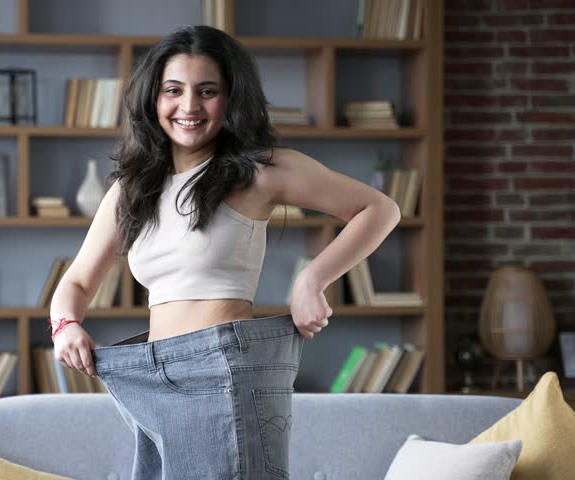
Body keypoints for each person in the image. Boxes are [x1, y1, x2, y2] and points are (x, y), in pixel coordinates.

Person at [47, 25, 400, 480]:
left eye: (207, 91)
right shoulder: (130, 190)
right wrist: (65, 326)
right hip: (153, 380)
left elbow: (379, 208)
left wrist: (312, 278)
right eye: (173, 90)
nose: (189, 106)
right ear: (153, 99)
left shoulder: (260, 171)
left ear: (231, 98)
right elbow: (75, 283)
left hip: (225, 370)